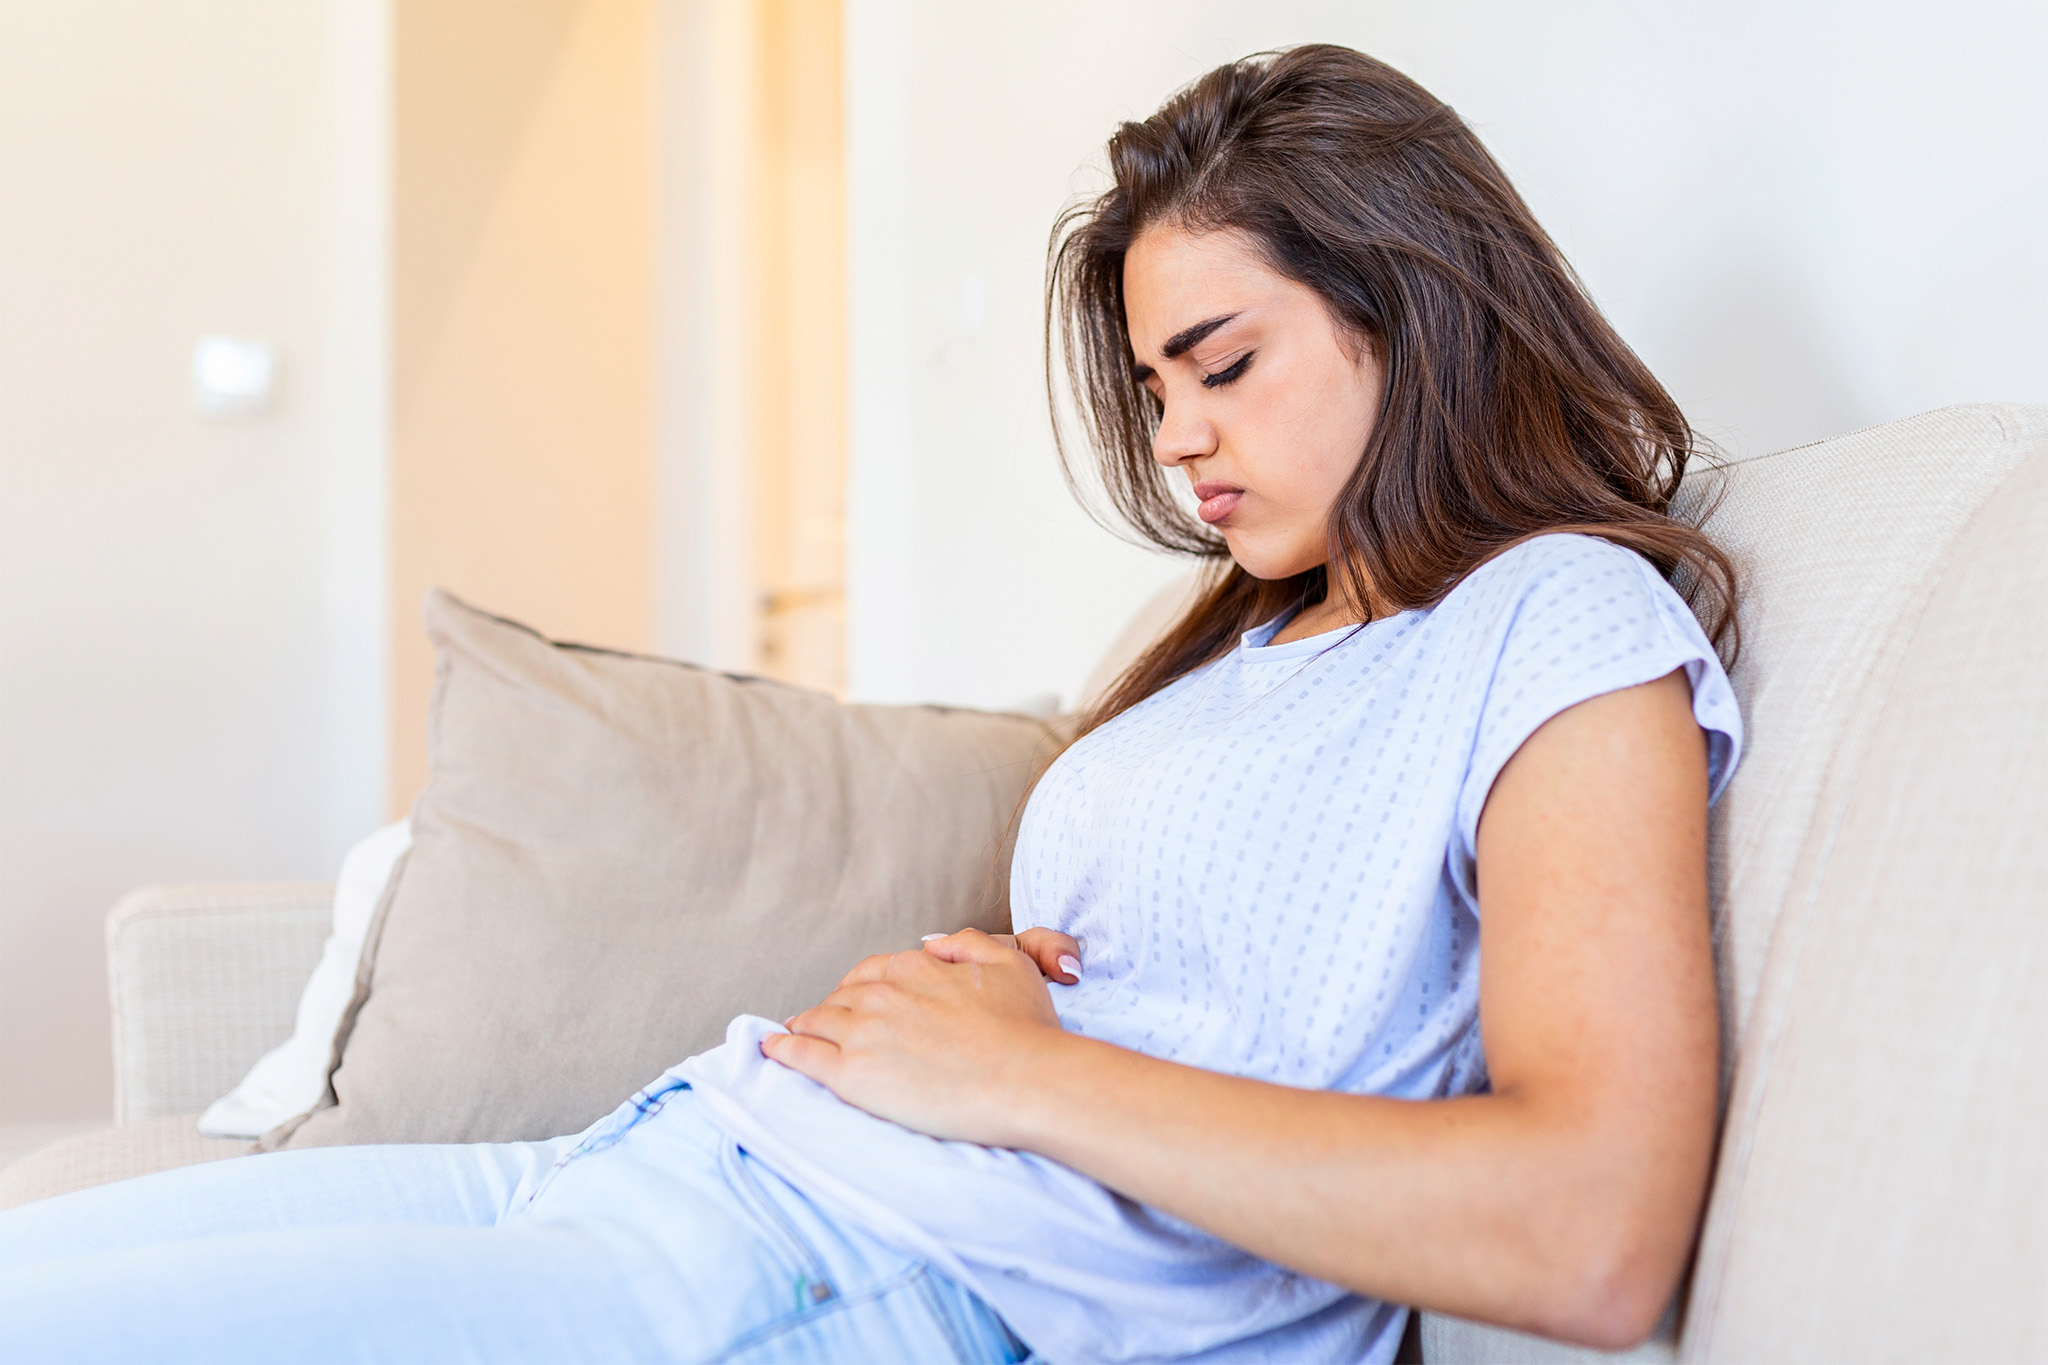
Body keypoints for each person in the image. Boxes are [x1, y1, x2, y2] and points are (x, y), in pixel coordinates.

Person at [0, 44, 1742, 1365]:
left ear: (1420, 312)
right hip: (680, 1156)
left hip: (876, 1274)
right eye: (1153, 387)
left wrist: (1022, 1075)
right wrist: (1002, 991)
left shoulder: (1556, 620)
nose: (1179, 437)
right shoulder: (1246, 634)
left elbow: (1590, 1230)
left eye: (1224, 363)